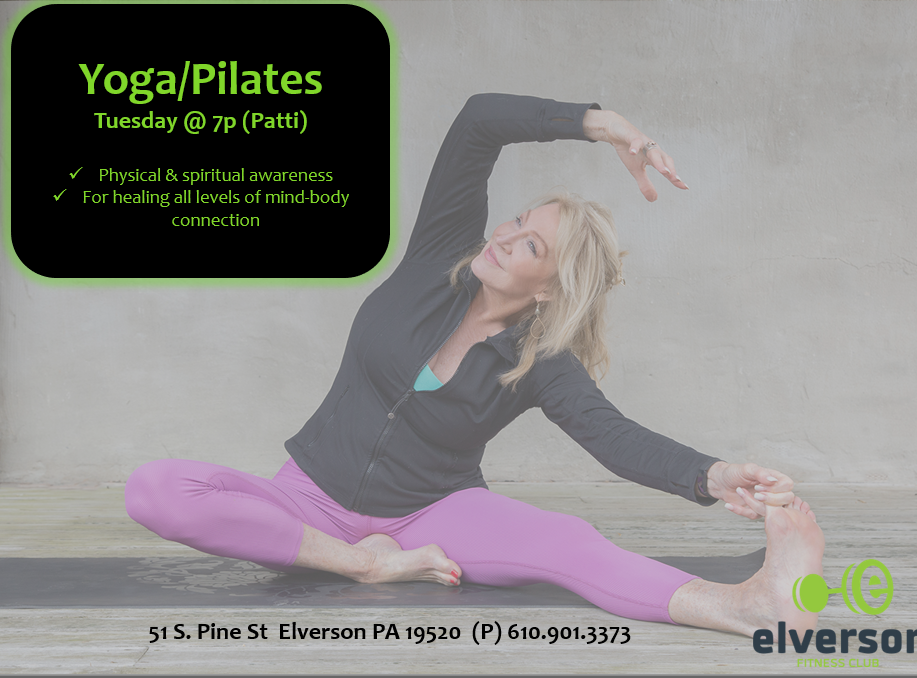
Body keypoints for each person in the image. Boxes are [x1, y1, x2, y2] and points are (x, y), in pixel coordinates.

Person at [126, 93, 824, 638]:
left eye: (528, 247)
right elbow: (477, 122)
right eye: (516, 221)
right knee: (156, 490)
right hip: (304, 499)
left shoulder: (539, 361)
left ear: (547, 287)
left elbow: (615, 438)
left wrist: (714, 474)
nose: (504, 237)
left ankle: (745, 605)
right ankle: (363, 562)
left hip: (432, 515)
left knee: (567, 543)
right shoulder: (436, 259)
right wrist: (604, 124)